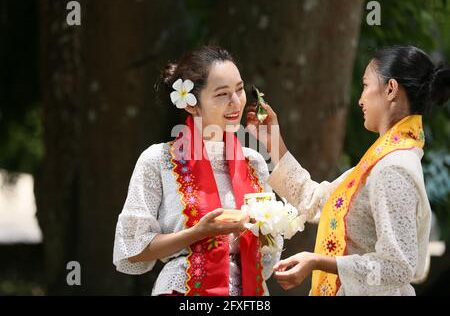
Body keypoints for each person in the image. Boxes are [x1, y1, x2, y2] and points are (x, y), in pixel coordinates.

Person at [246, 45, 450, 295]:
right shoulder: (380, 162)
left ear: (391, 89)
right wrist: (272, 140)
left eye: (365, 86)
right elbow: (314, 200)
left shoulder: (394, 168)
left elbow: (398, 267)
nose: (360, 99)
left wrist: (318, 261)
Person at [113, 46, 281, 296]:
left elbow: (269, 253)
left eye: (239, 89)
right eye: (222, 94)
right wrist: (197, 233)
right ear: (192, 105)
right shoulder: (158, 160)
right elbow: (133, 249)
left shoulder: (253, 162)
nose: (236, 102)